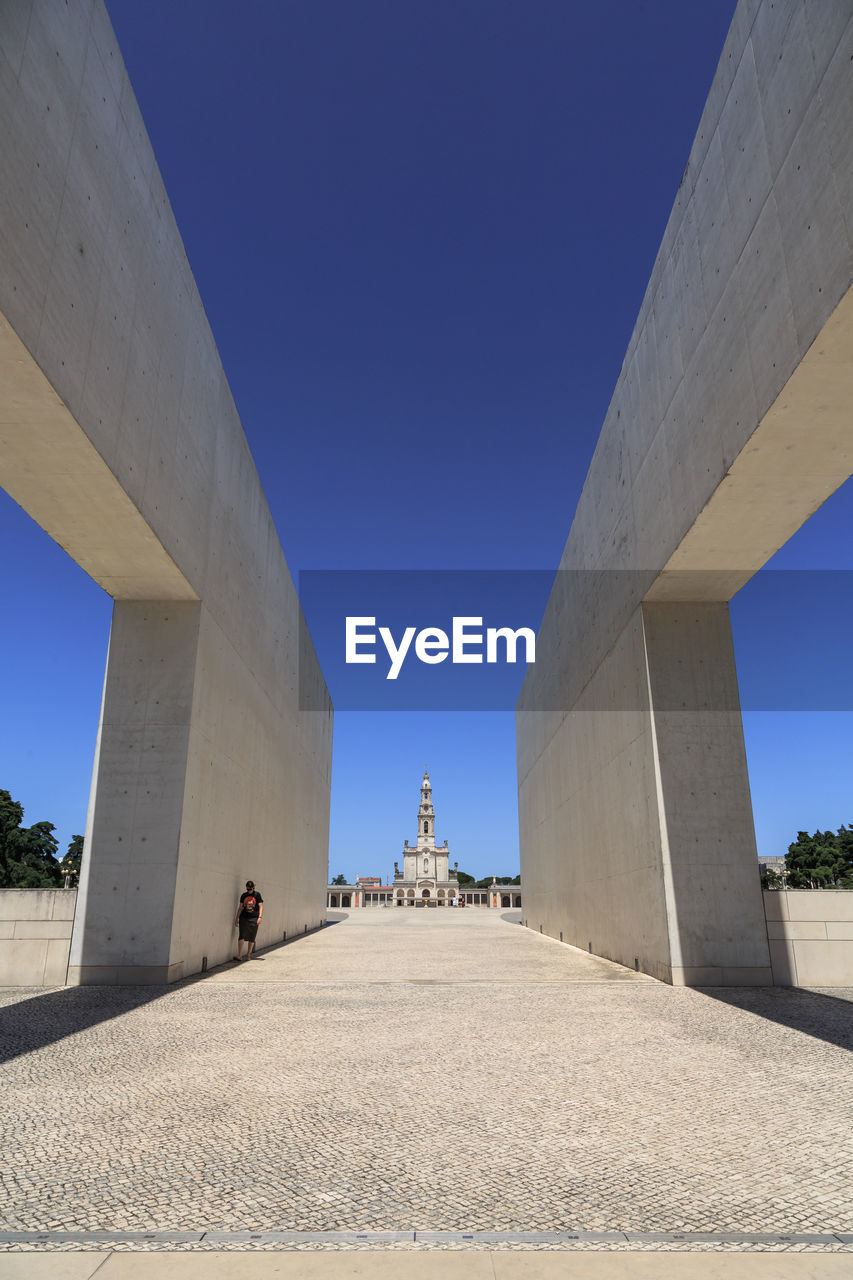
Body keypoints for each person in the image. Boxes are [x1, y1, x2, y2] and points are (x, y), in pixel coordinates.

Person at [234, 880, 263, 960]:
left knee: (252, 937)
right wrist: (236, 919)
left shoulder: (257, 895)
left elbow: (261, 906)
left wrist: (260, 917)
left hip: (254, 918)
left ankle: (248, 955)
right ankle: (239, 955)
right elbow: (240, 908)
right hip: (244, 918)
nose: (249, 891)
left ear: (253, 887)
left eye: (250, 889)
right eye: (247, 889)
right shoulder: (243, 895)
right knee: (241, 936)